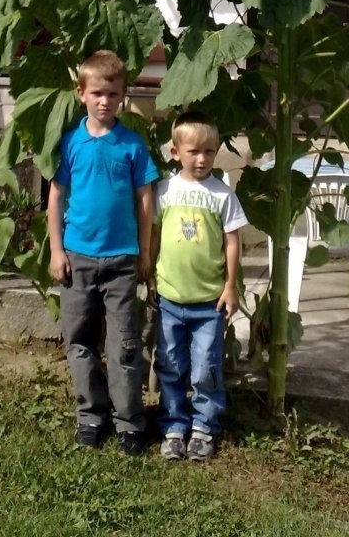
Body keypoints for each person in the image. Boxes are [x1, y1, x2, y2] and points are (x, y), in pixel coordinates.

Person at [48, 49, 159, 455]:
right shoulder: (71, 143)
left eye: (112, 94)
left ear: (123, 96)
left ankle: (130, 421)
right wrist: (56, 250)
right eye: (96, 93)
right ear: (81, 94)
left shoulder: (131, 145)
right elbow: (56, 197)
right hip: (76, 258)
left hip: (120, 262)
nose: (104, 101)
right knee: (79, 341)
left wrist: (145, 252)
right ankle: (90, 417)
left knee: (124, 344)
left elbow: (145, 199)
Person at [150, 111, 247, 462]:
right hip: (170, 296)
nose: (202, 158)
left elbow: (232, 242)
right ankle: (174, 424)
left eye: (209, 151)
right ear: (175, 152)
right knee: (171, 364)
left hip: (209, 302)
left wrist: (230, 285)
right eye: (194, 151)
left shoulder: (222, 195)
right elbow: (156, 233)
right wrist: (148, 269)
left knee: (206, 366)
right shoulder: (165, 190)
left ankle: (204, 426)